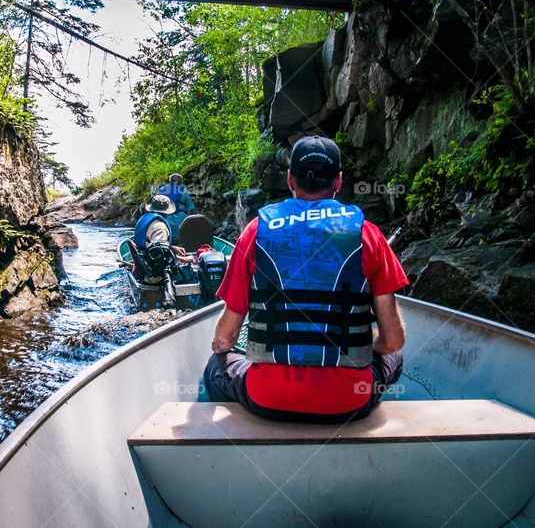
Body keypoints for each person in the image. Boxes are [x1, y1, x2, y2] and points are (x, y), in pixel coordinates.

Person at [203, 135, 408, 423]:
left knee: (217, 365)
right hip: (349, 402)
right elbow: (393, 342)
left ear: (290, 180)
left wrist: (220, 349)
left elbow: (225, 338)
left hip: (268, 398)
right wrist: (363, 343)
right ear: (338, 181)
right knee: (394, 359)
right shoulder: (368, 234)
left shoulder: (254, 231)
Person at [132, 194, 192, 263]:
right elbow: (158, 253)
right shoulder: (160, 227)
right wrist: (183, 259)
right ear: (166, 212)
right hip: (151, 264)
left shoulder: (144, 218)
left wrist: (171, 247)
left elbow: (152, 244)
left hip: (142, 258)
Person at [156, 173, 195, 244]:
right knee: (182, 240)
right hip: (181, 219)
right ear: (178, 182)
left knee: (167, 239)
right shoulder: (182, 190)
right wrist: (188, 222)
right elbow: (190, 208)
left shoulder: (161, 190)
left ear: (170, 180)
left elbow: (156, 207)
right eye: (181, 182)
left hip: (165, 219)